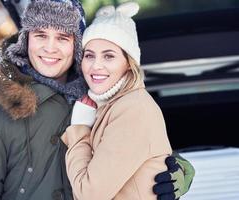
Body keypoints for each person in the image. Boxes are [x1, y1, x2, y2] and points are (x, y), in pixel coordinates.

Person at [0, 0, 194, 200]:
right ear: (26, 40)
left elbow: (137, 146)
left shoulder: (102, 94)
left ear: (77, 44)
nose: (50, 48)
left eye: (62, 37)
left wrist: (180, 171)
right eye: (40, 35)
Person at [61, 2, 194, 200]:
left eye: (109, 56)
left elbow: (89, 194)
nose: (96, 65)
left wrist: (80, 129)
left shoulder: (133, 108)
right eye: (89, 55)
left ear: (128, 64)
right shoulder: (108, 105)